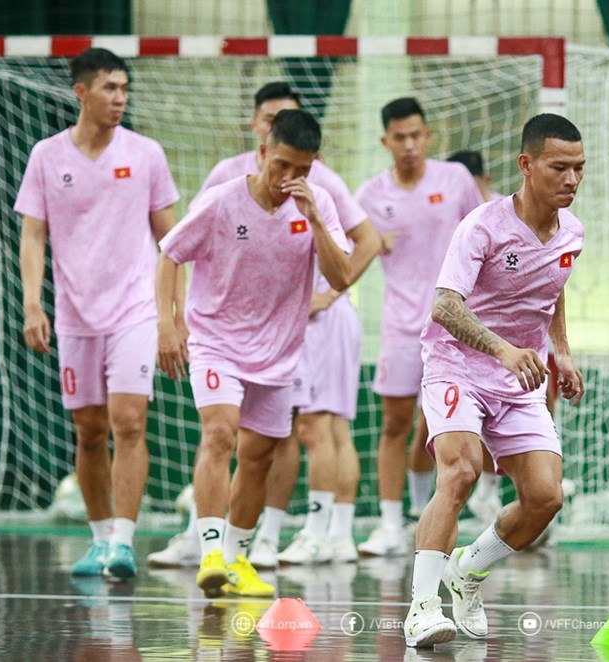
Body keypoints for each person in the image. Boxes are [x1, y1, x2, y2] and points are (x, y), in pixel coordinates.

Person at [146, 82, 382, 570]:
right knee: (220, 434)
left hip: (279, 352)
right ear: (262, 153)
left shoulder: (318, 205)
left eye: (302, 169)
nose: (288, 178)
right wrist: (167, 326)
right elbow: (169, 253)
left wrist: (316, 218)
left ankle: (236, 560)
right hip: (216, 342)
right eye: (281, 166)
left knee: (260, 456)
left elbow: (341, 276)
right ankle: (210, 552)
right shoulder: (221, 200)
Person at [402, 113, 586, 648]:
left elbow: (553, 286)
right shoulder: (482, 225)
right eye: (560, 167)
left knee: (545, 498)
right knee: (459, 474)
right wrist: (502, 348)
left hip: (519, 378)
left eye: (579, 168)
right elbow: (444, 307)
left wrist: (563, 352)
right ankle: (421, 608)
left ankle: (467, 571)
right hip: (458, 365)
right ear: (527, 165)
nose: (571, 179)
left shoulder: (571, 231)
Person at [15, 47, 182, 581]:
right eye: (110, 88)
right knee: (88, 432)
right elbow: (33, 234)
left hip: (133, 310)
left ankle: (125, 544)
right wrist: (32, 302)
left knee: (129, 422)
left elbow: (172, 241)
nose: (120, 98)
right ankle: (99, 537)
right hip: (73, 315)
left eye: (125, 89)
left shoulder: (146, 153)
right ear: (81, 92)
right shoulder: (46, 155)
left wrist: (173, 315)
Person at [354, 97, 483, 557]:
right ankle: (392, 524)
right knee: (395, 424)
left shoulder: (456, 180)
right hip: (400, 326)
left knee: (440, 426)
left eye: (416, 135)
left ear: (428, 136)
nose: (408, 145)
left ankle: (434, 511)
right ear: (385, 141)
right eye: (399, 137)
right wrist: (371, 245)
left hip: (456, 325)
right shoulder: (369, 196)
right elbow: (345, 248)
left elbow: (484, 234)